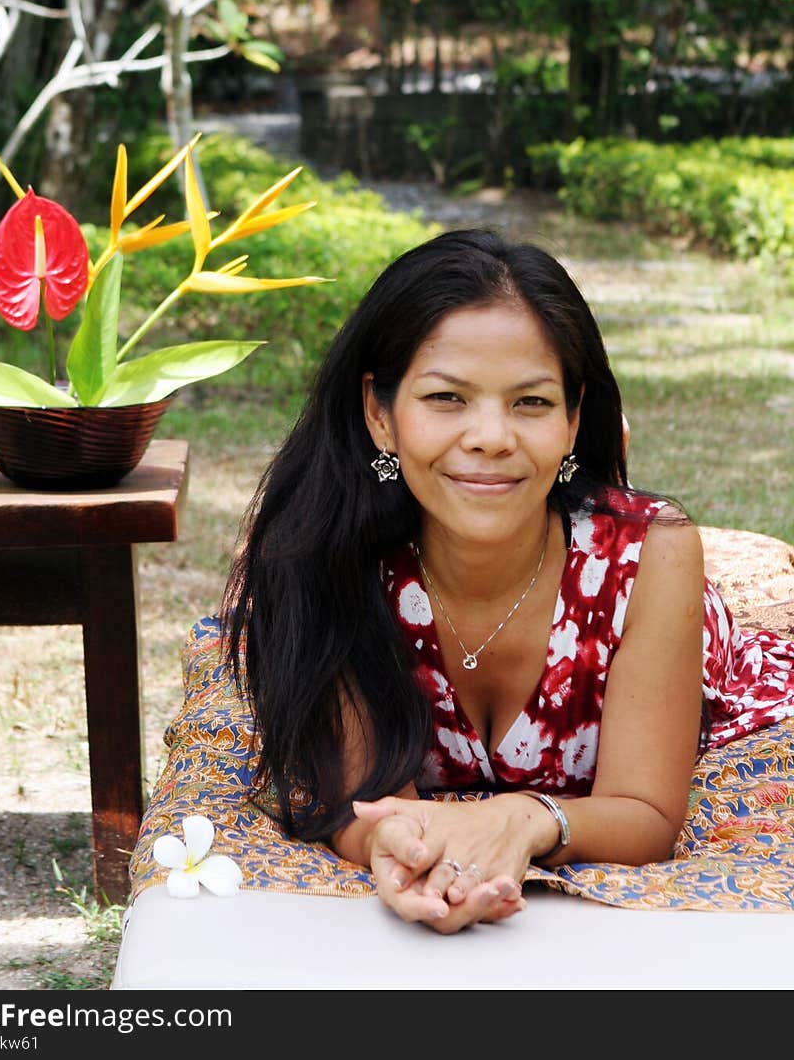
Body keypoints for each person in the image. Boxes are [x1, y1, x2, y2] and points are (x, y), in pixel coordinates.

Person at [221, 228, 794, 934]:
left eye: (530, 402)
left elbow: (646, 815)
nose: (491, 435)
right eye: (446, 398)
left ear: (574, 416)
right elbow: (364, 802)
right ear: (379, 413)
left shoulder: (653, 554)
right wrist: (402, 854)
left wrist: (525, 818)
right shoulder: (322, 553)